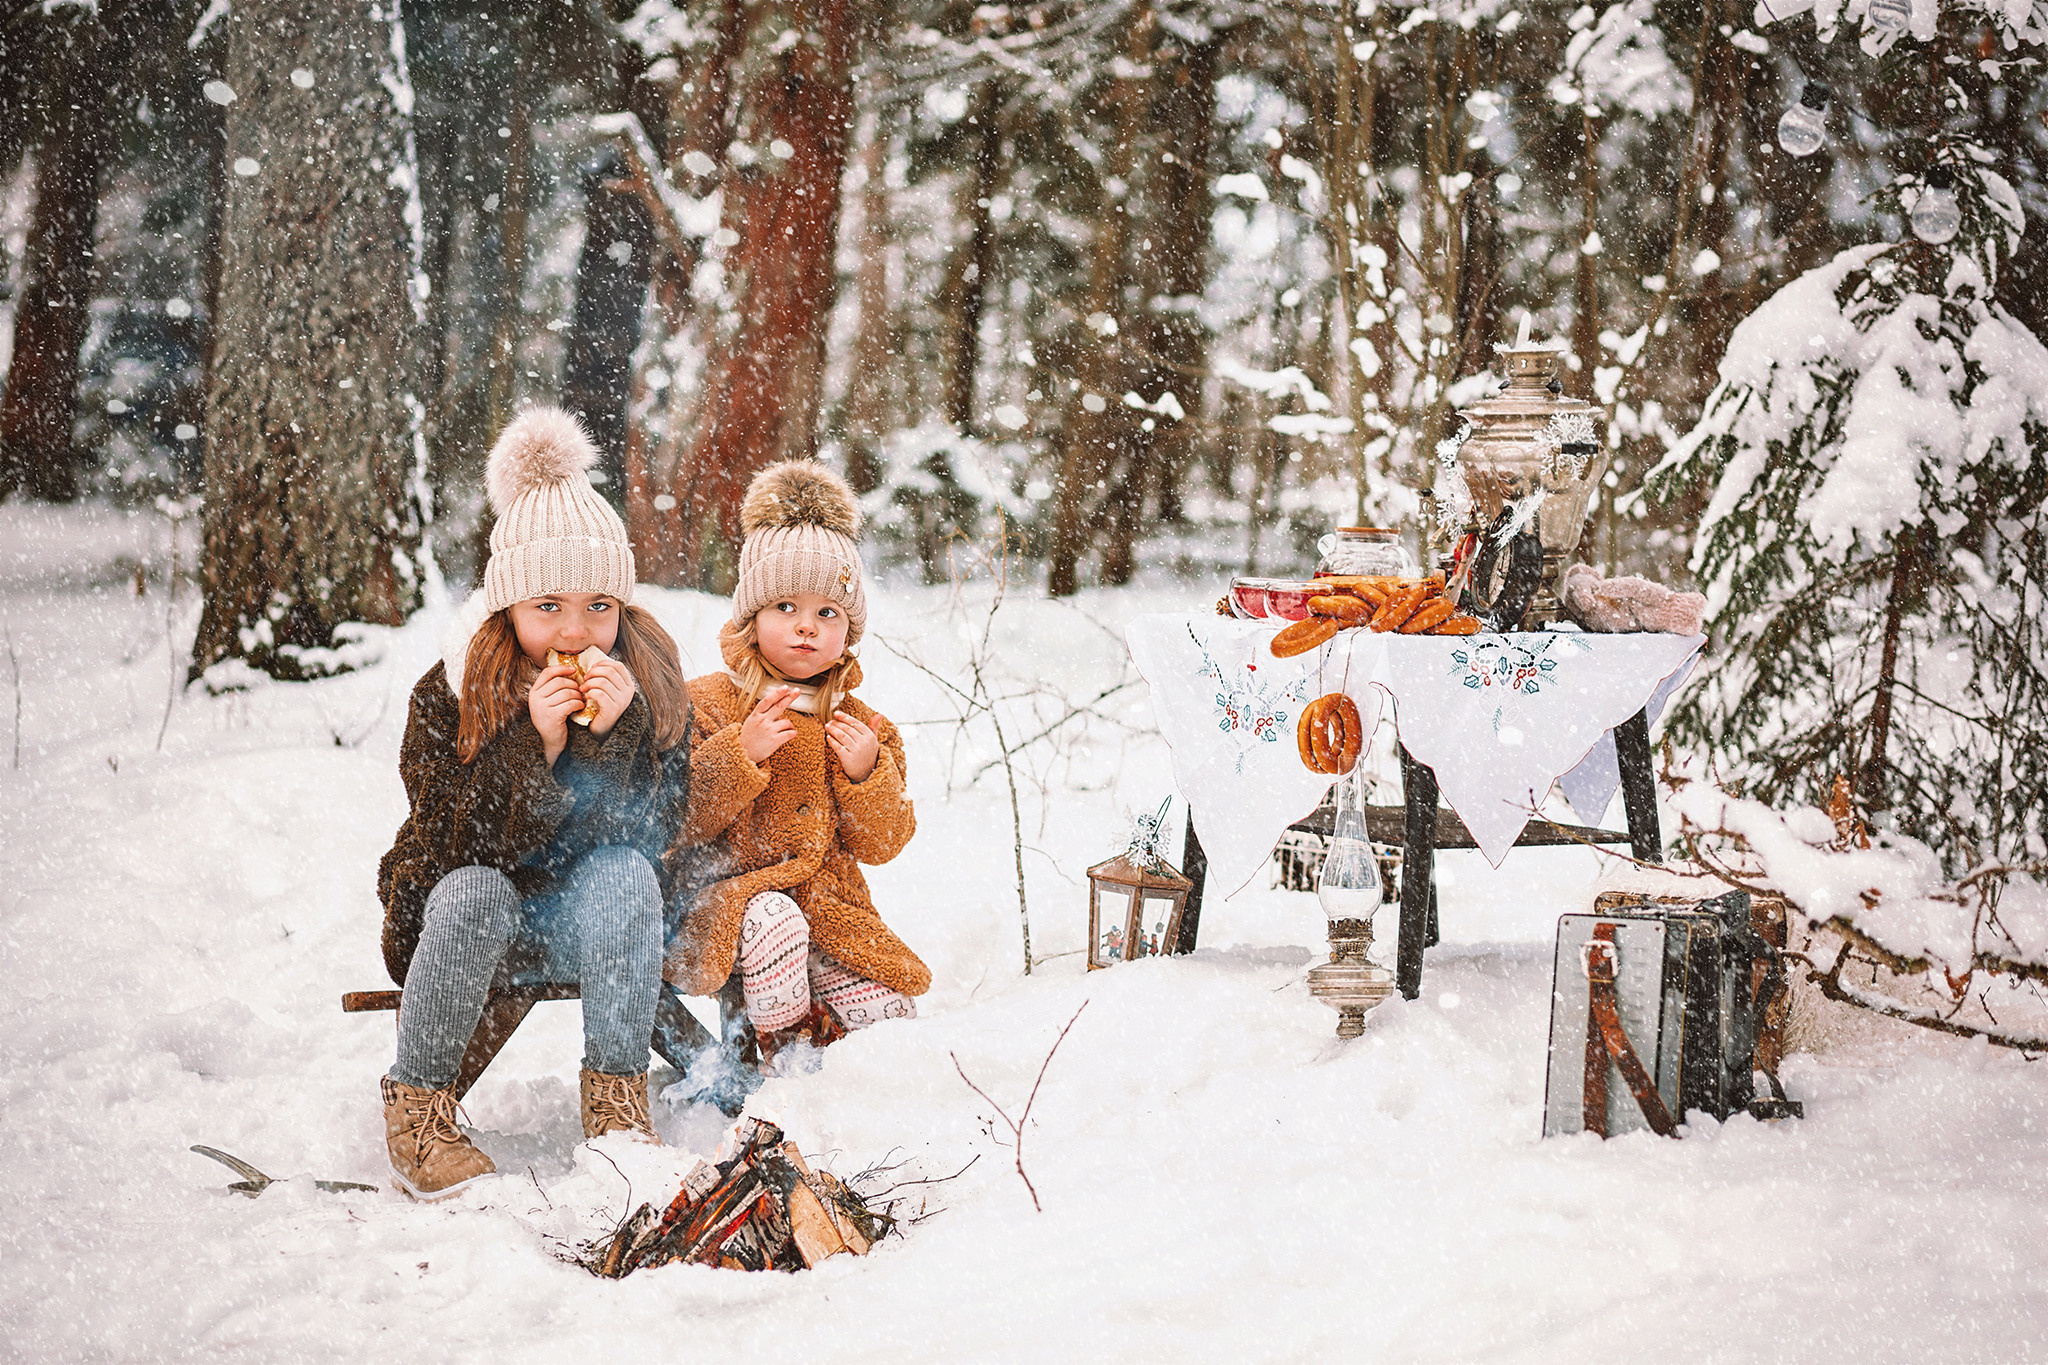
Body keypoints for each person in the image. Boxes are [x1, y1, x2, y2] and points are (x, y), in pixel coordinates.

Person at [375, 407, 690, 1200]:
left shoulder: (647, 682)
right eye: (548, 605)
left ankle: (618, 1109)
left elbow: (659, 832)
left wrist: (615, 738)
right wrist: (535, 748)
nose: (575, 631)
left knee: (624, 873)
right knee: (476, 890)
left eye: (599, 606)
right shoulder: (452, 691)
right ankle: (420, 1113)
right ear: (507, 606)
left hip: (590, 928)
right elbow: (448, 840)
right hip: (465, 928)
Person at [666, 461, 923, 1068]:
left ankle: (827, 1045)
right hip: (726, 902)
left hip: (826, 910)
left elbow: (884, 843)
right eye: (785, 606)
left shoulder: (863, 726)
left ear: (848, 630)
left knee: (894, 1016)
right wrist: (740, 754)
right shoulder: (707, 703)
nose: (807, 626)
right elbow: (673, 816)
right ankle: (787, 1060)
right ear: (752, 618)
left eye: (827, 613)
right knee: (776, 920)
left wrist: (866, 776)